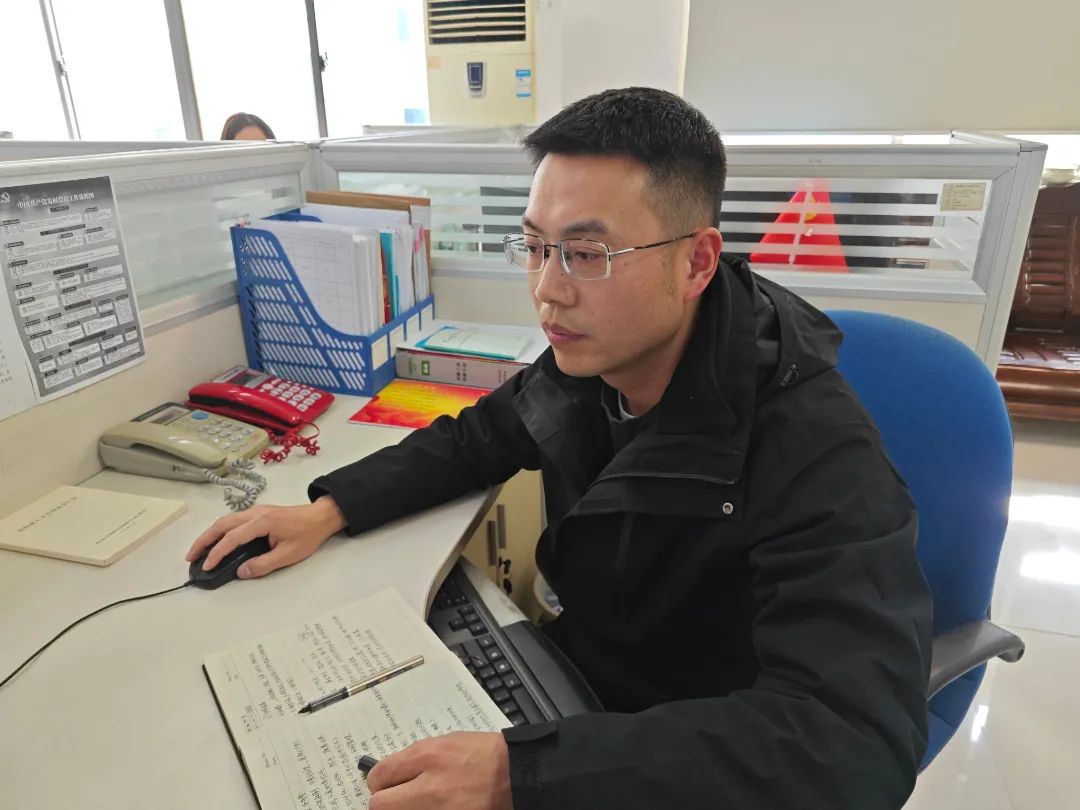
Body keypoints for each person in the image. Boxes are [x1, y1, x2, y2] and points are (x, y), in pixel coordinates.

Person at [188, 87, 932, 810]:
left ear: (697, 263)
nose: (547, 290)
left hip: (683, 761)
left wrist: (526, 775)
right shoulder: (591, 363)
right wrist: (329, 509)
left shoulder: (820, 452)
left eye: (586, 254)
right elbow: (479, 436)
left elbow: (854, 744)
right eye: (536, 248)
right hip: (581, 698)